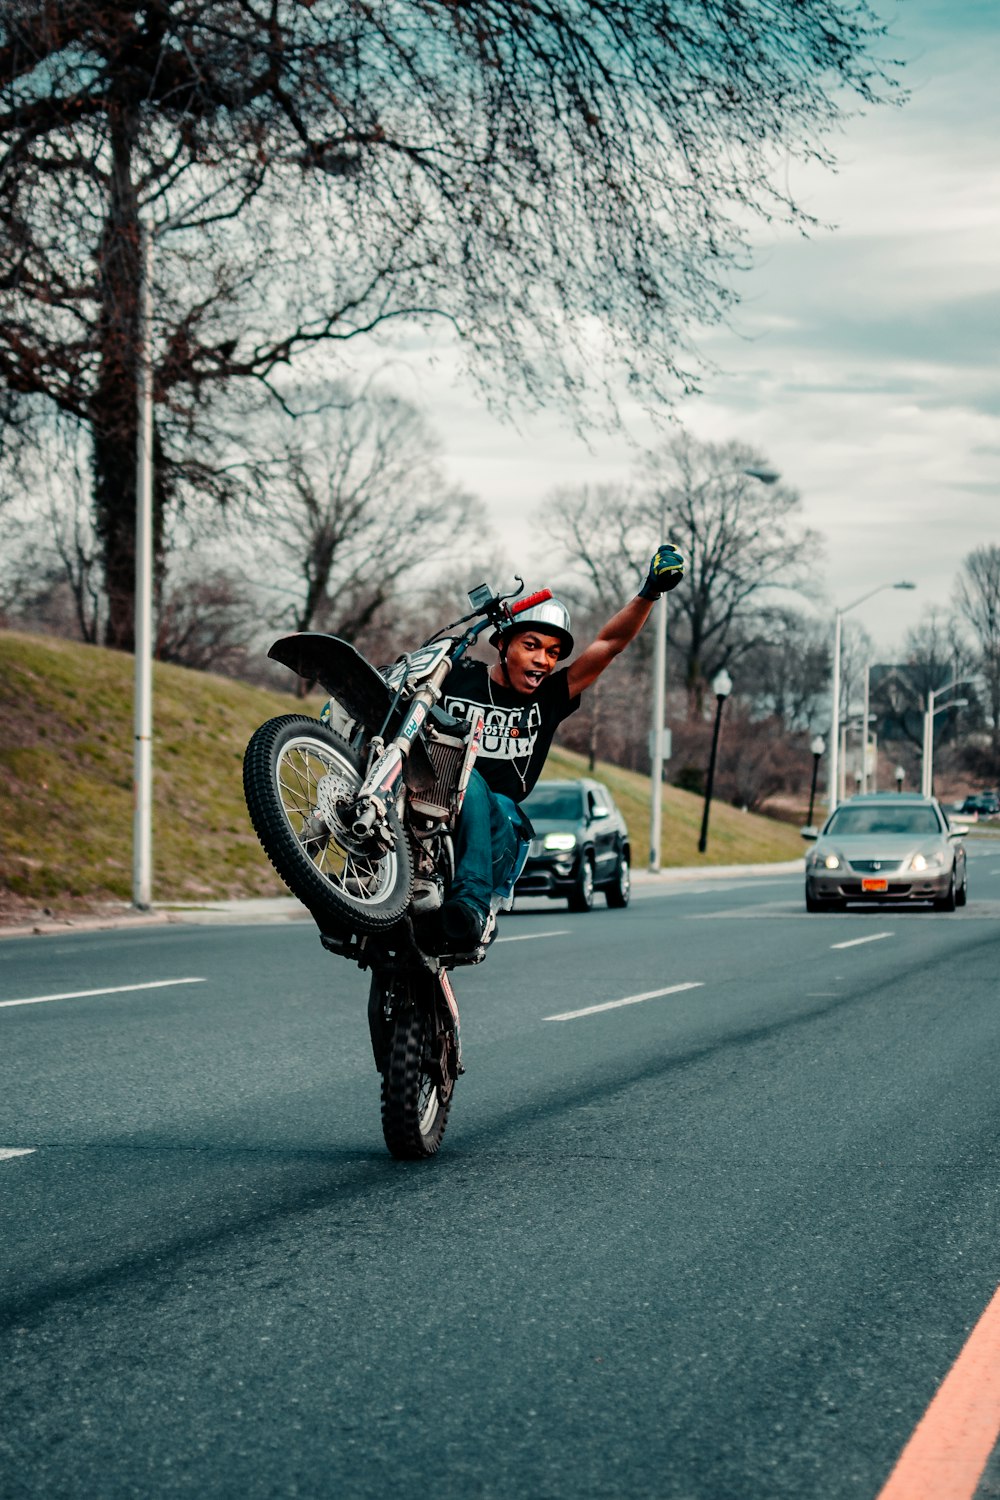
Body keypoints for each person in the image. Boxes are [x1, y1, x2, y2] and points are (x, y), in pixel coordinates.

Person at [428, 543, 685, 951]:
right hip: (431, 808)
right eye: (531, 646)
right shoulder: (457, 677)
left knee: (470, 778)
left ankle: (473, 906)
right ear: (502, 645)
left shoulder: (549, 696)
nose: (544, 661)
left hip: (499, 826)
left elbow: (609, 645)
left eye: (553, 653)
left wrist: (650, 591)